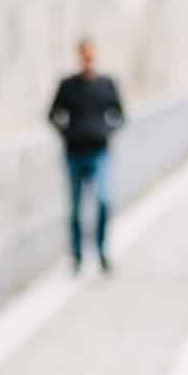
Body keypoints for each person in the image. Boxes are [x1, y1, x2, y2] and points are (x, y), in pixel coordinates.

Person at [47, 38, 124, 275]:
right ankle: (77, 256)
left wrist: (105, 131)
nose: (88, 60)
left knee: (103, 200)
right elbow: (53, 114)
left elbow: (119, 114)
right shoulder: (68, 85)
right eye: (84, 55)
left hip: (99, 151)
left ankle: (101, 251)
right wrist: (68, 134)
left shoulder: (107, 83)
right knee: (76, 207)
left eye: (91, 55)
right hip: (74, 153)